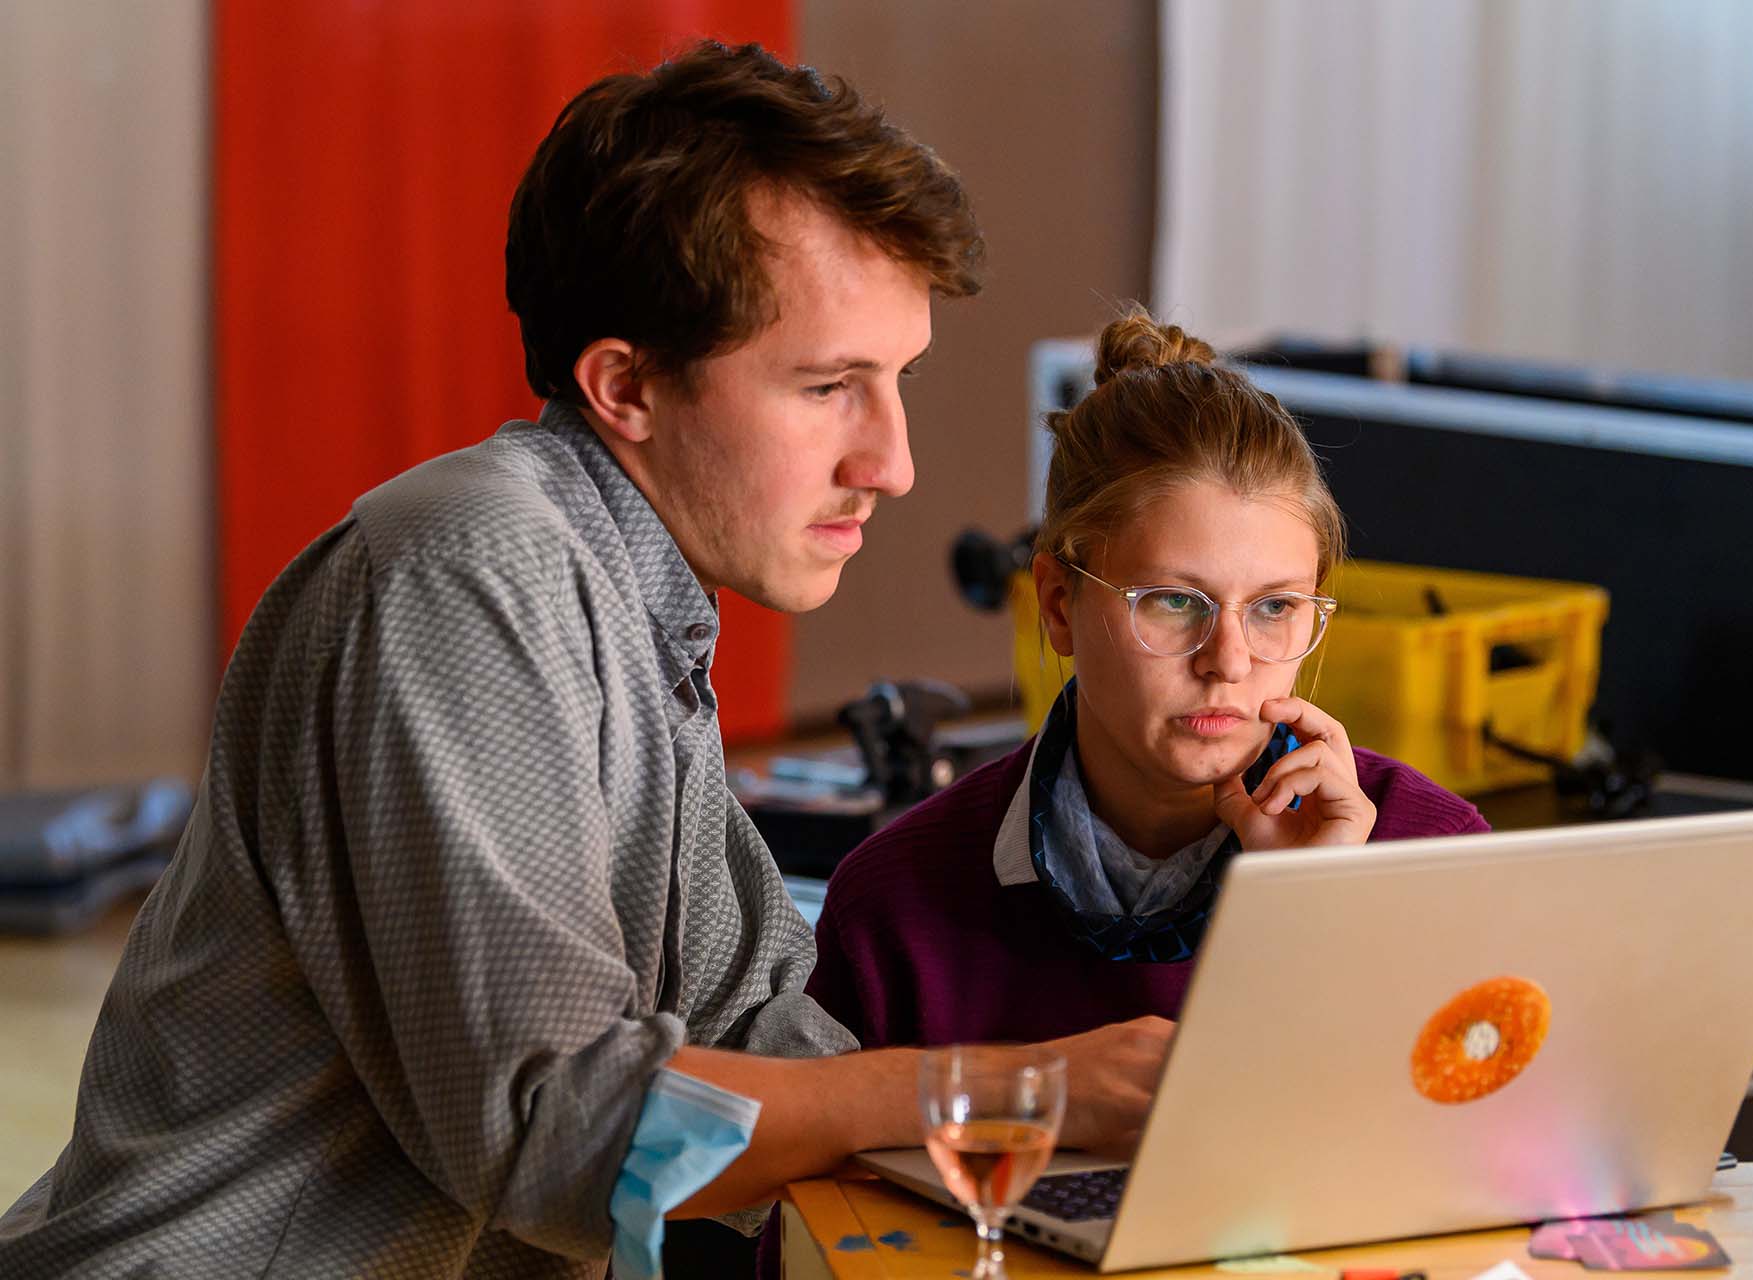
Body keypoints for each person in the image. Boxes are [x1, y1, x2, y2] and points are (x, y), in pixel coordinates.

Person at [0, 42, 1169, 1279]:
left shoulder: (626, 592)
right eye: (830, 385)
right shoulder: (471, 571)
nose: (893, 462)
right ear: (626, 385)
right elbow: (565, 1134)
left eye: (897, 381)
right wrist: (1014, 1089)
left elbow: (752, 1030)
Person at [804, 309, 1492, 1052]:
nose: (1229, 661)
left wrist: (1313, 917)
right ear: (1058, 606)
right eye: (1173, 602)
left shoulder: (1440, 858)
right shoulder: (891, 908)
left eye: (1274, 608)